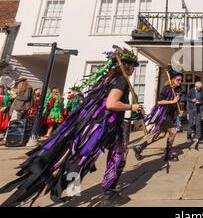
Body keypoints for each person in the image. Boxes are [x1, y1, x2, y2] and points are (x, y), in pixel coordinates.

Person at [0, 48, 142, 207]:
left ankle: (80, 189)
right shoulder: (121, 80)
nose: (133, 70)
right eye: (132, 66)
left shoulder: (106, 80)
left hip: (98, 126)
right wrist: (132, 107)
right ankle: (107, 193)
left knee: (75, 159)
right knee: (111, 156)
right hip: (101, 128)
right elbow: (111, 104)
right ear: (126, 66)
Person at [133, 66, 184, 162]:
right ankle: (168, 153)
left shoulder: (177, 89)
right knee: (173, 131)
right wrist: (172, 101)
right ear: (172, 79)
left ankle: (140, 147)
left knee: (161, 134)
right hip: (163, 114)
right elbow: (160, 102)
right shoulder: (167, 88)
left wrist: (179, 110)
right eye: (178, 80)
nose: (180, 81)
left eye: (181, 80)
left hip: (170, 114)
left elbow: (177, 103)